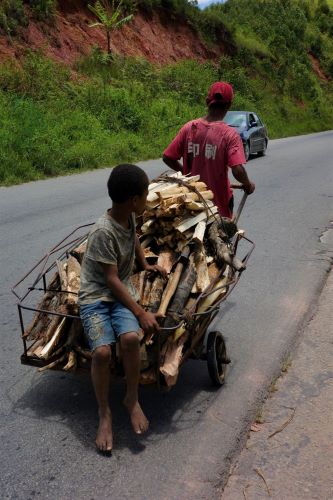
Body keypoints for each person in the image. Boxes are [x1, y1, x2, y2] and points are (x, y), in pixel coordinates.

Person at [79, 164, 166, 454]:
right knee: (102, 352)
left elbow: (134, 238)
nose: (146, 200)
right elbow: (112, 279)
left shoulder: (127, 217)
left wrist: (144, 264)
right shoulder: (103, 231)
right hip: (96, 297)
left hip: (120, 293)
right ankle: (104, 412)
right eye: (144, 196)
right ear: (134, 200)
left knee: (129, 339)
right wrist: (141, 312)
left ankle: (132, 397)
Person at [163, 81, 255, 218]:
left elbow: (168, 157)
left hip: (192, 202)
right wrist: (247, 184)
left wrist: (186, 174)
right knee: (222, 238)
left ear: (207, 102)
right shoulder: (230, 135)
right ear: (229, 105)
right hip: (219, 205)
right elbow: (237, 169)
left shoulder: (189, 128)